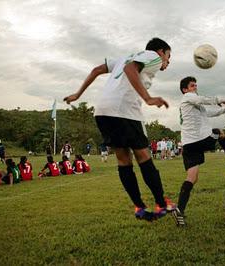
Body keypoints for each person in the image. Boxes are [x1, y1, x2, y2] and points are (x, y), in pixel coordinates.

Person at [63, 37, 176, 221]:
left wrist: (77, 94)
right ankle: (161, 203)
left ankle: (139, 207)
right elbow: (130, 68)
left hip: (102, 111)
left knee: (124, 160)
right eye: (168, 56)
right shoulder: (153, 57)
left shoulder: (123, 57)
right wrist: (148, 98)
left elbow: (96, 70)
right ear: (161, 51)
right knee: (144, 157)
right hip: (124, 111)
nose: (167, 61)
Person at [171, 76, 225, 226]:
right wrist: (221, 99)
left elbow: (211, 113)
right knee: (219, 131)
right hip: (197, 141)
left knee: (192, 178)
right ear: (185, 90)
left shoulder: (195, 104)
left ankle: (180, 210)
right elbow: (202, 100)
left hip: (188, 145)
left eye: (195, 86)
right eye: (192, 86)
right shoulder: (188, 97)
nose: (195, 88)